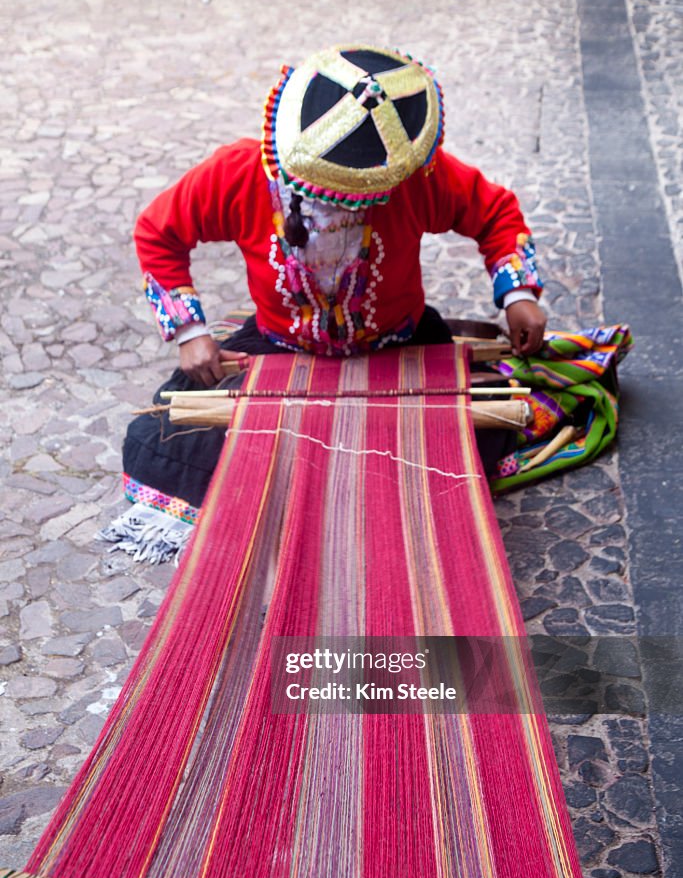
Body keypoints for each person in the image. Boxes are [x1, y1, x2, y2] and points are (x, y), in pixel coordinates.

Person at [110, 44, 546, 560]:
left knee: (471, 438)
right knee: (157, 439)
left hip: (399, 350)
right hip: (279, 351)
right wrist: (190, 333)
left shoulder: (413, 179)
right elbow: (159, 232)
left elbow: (494, 213)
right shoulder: (238, 172)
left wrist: (518, 294)